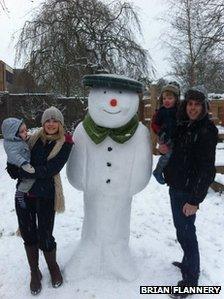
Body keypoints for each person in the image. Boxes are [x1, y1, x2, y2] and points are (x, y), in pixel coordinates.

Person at [6, 106, 74, 296]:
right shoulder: (31, 139)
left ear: (60, 124)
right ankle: (34, 272)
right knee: (28, 234)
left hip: (46, 195)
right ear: (43, 123)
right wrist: (14, 163)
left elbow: (51, 169)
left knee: (45, 234)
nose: (50, 124)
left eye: (54, 120)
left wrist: (29, 171)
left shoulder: (65, 143)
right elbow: (13, 168)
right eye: (47, 120)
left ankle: (53, 268)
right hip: (23, 196)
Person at [160, 87, 218, 297]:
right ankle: (187, 264)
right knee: (181, 230)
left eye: (197, 105)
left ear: (203, 107)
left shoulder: (206, 130)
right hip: (176, 187)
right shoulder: (184, 125)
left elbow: (207, 169)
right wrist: (163, 149)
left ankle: (191, 279)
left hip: (188, 192)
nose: (193, 108)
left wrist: (195, 200)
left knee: (187, 233)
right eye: (190, 104)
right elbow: (172, 147)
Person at [151, 82, 180, 184]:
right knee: (168, 155)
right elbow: (154, 124)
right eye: (164, 98)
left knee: (176, 154)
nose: (166, 101)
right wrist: (160, 132)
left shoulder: (179, 111)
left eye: (170, 98)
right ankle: (158, 171)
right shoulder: (161, 111)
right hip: (165, 137)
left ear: (176, 99)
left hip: (175, 137)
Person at [1, 118, 35, 194]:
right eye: (22, 131)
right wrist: (24, 164)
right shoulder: (11, 145)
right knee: (29, 180)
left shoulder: (16, 140)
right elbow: (15, 157)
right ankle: (21, 192)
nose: (26, 132)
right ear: (13, 134)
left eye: (26, 130)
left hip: (22, 165)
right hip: (18, 166)